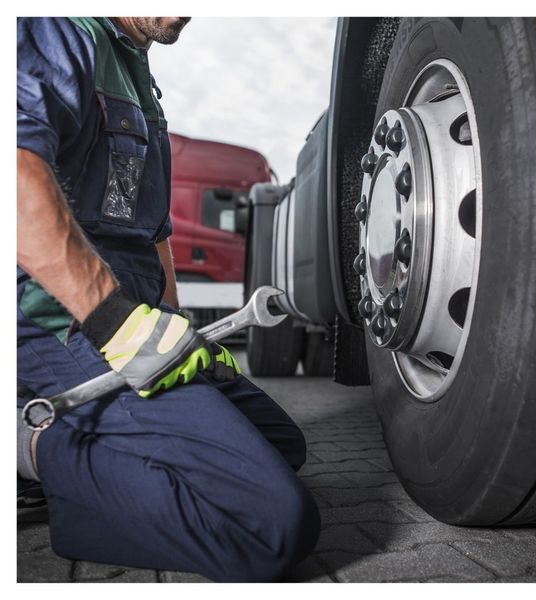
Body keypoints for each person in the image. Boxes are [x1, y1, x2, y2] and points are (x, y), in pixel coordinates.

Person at [17, 17, 320, 582]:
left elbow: (153, 232)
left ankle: (82, 487)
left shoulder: (135, 70)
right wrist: (117, 325)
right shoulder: (57, 27)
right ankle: (32, 445)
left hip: (130, 315)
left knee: (281, 445)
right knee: (271, 523)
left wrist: (176, 328)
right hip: (60, 318)